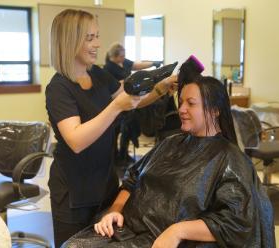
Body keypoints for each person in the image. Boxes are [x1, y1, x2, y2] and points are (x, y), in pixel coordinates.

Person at [62, 75, 275, 248]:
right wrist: (114, 211)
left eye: (191, 103)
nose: (181, 109)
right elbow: (132, 179)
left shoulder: (229, 158)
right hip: (129, 229)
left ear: (215, 110)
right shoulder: (171, 143)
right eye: (181, 101)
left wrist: (177, 231)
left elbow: (236, 222)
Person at [45, 9, 177, 248]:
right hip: (73, 192)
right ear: (69, 40)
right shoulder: (59, 88)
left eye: (97, 36)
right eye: (89, 38)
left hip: (105, 183)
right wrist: (115, 106)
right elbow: (76, 140)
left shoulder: (97, 74)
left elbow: (130, 100)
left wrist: (160, 88)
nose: (97, 44)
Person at [103, 43, 163, 165]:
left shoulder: (123, 62)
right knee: (115, 132)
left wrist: (154, 63)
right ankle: (114, 158)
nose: (124, 57)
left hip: (128, 103)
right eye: (122, 55)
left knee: (128, 129)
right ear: (115, 56)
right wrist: (127, 81)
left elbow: (136, 65)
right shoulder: (108, 68)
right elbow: (112, 86)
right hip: (116, 103)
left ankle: (123, 154)